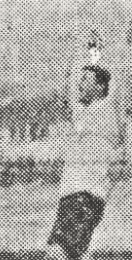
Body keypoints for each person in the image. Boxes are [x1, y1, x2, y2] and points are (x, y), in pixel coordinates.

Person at [45, 44, 119, 260]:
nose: (80, 82)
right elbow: (67, 89)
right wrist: (86, 50)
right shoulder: (80, 112)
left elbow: (118, 82)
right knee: (74, 255)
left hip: (85, 196)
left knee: (56, 254)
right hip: (71, 196)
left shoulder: (106, 111)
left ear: (100, 87)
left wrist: (97, 53)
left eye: (86, 79)